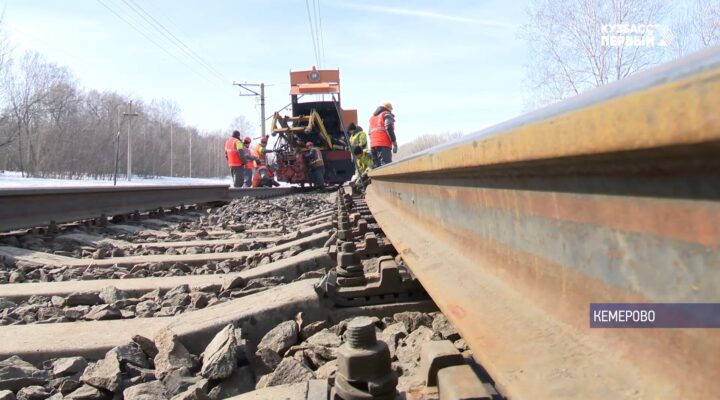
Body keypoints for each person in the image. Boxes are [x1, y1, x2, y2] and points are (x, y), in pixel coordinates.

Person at [369, 102, 397, 166]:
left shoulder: (372, 118)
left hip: (373, 146)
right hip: (384, 145)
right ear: (389, 108)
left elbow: (369, 133)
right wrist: (394, 143)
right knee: (386, 167)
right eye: (391, 109)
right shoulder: (386, 114)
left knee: (377, 168)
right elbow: (389, 127)